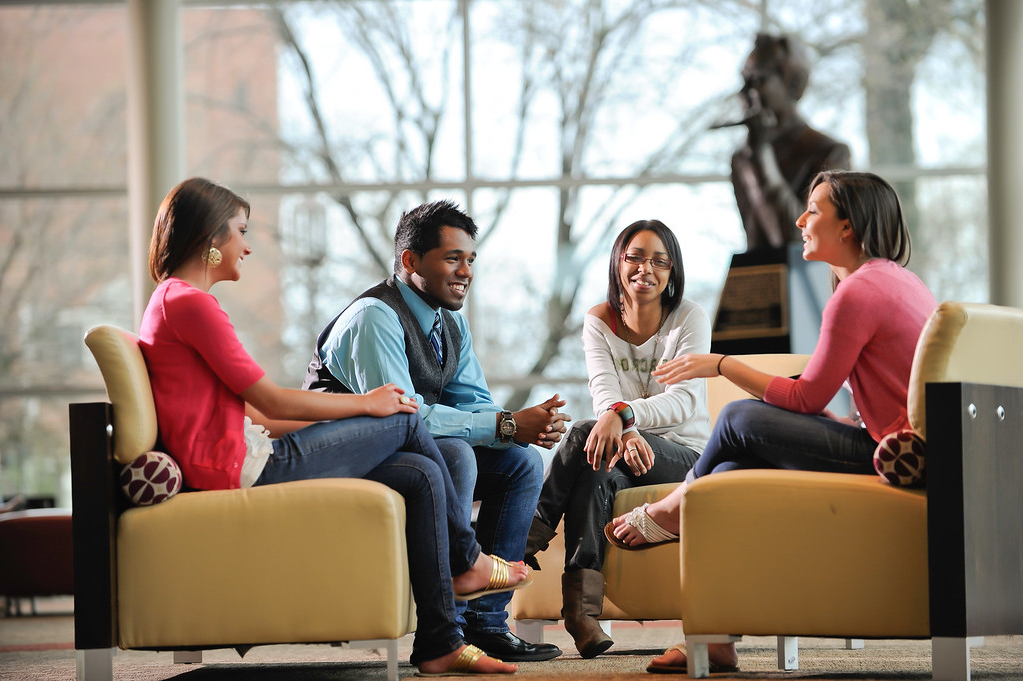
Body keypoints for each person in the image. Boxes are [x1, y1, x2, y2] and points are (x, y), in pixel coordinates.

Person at [139, 177, 533, 676]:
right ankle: (468, 560)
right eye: (241, 230)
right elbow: (267, 397)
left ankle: (439, 642)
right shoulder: (190, 303)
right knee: (405, 415)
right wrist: (366, 405)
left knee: (419, 472)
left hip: (240, 454)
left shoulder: (172, 300)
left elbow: (257, 414)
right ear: (210, 238)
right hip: (239, 465)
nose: (248, 244)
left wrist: (371, 408)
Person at [608, 170, 937, 674]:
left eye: (814, 210)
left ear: (847, 226)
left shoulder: (858, 293)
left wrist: (720, 364)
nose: (801, 220)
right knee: (727, 474)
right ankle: (715, 639)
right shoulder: (897, 281)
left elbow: (804, 397)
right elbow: (841, 391)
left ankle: (673, 508)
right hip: (890, 442)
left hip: (889, 456)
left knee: (738, 417)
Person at [302, 200, 571, 662]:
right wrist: (507, 424)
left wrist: (520, 429)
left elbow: (474, 406)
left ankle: (486, 625)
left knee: (522, 462)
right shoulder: (374, 316)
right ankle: (444, 630)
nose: (465, 271)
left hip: (407, 452)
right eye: (452, 258)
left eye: (470, 260)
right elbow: (406, 416)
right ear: (410, 261)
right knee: (456, 454)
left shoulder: (452, 326)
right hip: (344, 456)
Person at [523, 220, 712, 658]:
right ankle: (582, 613)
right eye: (636, 257)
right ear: (618, 261)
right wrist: (625, 428)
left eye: (660, 261)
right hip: (623, 451)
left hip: (684, 454)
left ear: (671, 272)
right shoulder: (598, 320)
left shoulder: (689, 317)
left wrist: (625, 417)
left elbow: (683, 401)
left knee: (585, 433)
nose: (647, 268)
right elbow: (603, 389)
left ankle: (526, 537)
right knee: (596, 465)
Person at [726, 33, 851, 252]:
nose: (743, 94)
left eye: (756, 80)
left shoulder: (830, 153)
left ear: (794, 83)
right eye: (743, 80)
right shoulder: (742, 158)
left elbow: (796, 240)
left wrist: (761, 155)